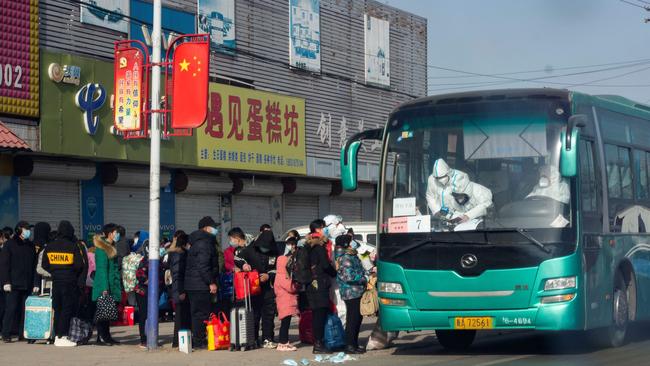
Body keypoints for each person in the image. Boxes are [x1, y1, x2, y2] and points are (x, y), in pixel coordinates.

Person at [42, 220, 84, 347]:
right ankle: (63, 336)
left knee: (58, 308)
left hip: (56, 281)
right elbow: (79, 265)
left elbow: (44, 264)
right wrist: (70, 273)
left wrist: (55, 272)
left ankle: (57, 336)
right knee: (67, 308)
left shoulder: (49, 246)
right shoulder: (72, 246)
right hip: (69, 281)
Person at [235, 230, 279, 349]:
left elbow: (277, 269)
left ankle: (267, 338)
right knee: (254, 314)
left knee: (268, 315)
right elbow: (237, 258)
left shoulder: (274, 252)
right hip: (253, 288)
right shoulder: (250, 249)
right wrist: (244, 265)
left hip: (268, 288)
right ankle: (252, 339)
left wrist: (268, 275)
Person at [0, 221, 39, 343]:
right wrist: (6, 281)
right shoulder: (9, 245)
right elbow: (4, 265)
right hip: (12, 284)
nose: (28, 231)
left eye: (29, 229)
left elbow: (34, 266)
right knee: (10, 309)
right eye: (26, 229)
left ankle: (23, 333)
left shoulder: (31, 246)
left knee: (25, 310)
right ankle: (6, 333)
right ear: (18, 230)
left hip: (27, 283)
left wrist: (36, 283)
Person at [184, 216, 220, 350]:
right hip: (200, 284)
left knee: (197, 314)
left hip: (194, 284)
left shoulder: (198, 242)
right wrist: (211, 282)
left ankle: (198, 339)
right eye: (213, 227)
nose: (216, 230)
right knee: (201, 314)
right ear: (206, 228)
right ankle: (199, 341)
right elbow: (203, 266)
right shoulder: (204, 243)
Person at [305, 219, 337, 354]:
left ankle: (318, 342)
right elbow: (325, 265)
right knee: (320, 315)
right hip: (319, 284)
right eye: (324, 227)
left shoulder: (307, 245)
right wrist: (334, 273)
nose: (326, 230)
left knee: (316, 314)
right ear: (318, 229)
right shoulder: (319, 246)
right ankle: (318, 344)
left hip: (310, 284)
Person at [335, 235, 367, 355]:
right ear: (345, 244)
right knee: (353, 319)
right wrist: (365, 278)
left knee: (357, 318)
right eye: (350, 241)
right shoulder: (345, 258)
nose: (353, 243)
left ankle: (354, 343)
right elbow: (349, 277)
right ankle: (350, 345)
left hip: (356, 290)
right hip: (351, 292)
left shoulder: (351, 255)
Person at [92, 223, 122, 346]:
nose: (117, 235)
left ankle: (107, 336)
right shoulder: (102, 249)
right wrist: (104, 288)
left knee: (107, 312)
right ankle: (101, 337)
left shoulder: (111, 246)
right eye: (116, 232)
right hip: (104, 285)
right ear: (110, 234)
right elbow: (102, 269)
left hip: (112, 283)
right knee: (103, 312)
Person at [134, 238, 163, 349]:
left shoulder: (158, 261)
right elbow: (140, 275)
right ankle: (143, 339)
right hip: (142, 292)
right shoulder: (145, 261)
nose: (159, 249)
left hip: (153, 292)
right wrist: (150, 282)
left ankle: (151, 337)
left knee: (152, 315)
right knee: (144, 315)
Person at [274, 236, 299, 351]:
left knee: (286, 322)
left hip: (286, 301)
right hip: (285, 301)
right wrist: (296, 286)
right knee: (285, 323)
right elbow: (289, 287)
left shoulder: (280, 274)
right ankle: (282, 343)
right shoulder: (282, 275)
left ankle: (285, 342)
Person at [168, 231, 191, 348]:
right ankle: (177, 342)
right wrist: (181, 291)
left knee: (182, 315)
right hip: (180, 289)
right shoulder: (180, 254)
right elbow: (178, 274)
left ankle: (180, 341)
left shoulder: (173, 253)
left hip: (178, 288)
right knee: (180, 316)